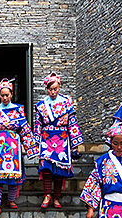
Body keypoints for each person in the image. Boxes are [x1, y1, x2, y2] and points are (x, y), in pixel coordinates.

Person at [0, 78, 39, 217]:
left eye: (7, 95)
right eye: (2, 95)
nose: (5, 98)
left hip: (13, 148)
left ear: (12, 94)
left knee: (13, 175)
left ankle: (11, 200)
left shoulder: (18, 111)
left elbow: (25, 129)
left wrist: (32, 147)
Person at [33, 72, 84, 209]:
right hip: (46, 139)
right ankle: (47, 195)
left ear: (59, 87)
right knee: (47, 168)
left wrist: (75, 145)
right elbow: (38, 124)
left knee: (59, 171)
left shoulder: (66, 103)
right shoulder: (42, 105)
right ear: (47, 89)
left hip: (62, 139)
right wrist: (36, 142)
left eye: (55, 89)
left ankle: (56, 197)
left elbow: (72, 124)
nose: (53, 92)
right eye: (50, 89)